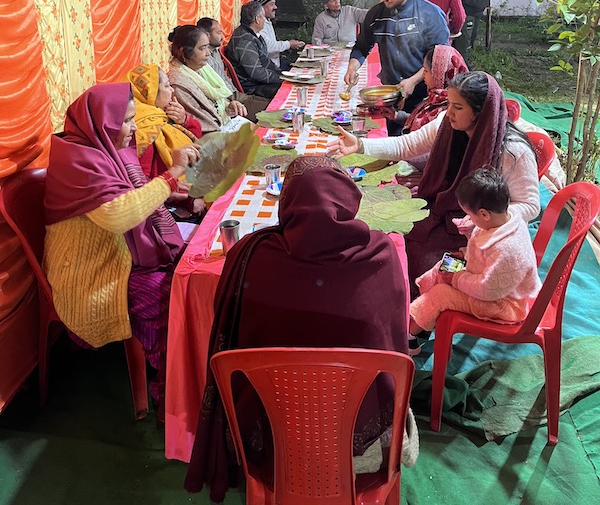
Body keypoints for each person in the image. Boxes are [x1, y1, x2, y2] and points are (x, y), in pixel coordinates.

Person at [184, 156, 417, 500]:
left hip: (272, 438)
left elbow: (230, 341)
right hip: (360, 443)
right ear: (349, 201)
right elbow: (394, 344)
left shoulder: (248, 256)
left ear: (287, 203)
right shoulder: (381, 256)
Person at [43, 83, 200, 410]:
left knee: (192, 271)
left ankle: (193, 371)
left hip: (121, 256)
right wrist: (171, 177)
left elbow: (130, 194)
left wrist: (173, 192)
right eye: (127, 121)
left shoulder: (104, 150)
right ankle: (172, 396)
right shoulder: (78, 162)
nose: (133, 129)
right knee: (168, 294)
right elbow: (119, 215)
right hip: (92, 274)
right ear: (102, 122)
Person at [329, 71, 540, 296]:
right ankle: (402, 303)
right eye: (449, 104)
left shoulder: (512, 151)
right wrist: (360, 146)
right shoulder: (446, 125)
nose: (449, 113)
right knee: (392, 240)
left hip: (482, 235)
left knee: (432, 268)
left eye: (458, 107)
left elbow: (530, 205)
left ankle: (419, 312)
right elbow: (406, 146)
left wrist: (483, 217)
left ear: (480, 113)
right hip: (444, 212)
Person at [409, 167, 541, 354]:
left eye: (470, 216)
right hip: (486, 284)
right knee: (441, 268)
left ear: (485, 214)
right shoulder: (504, 219)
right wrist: (465, 254)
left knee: (440, 294)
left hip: (503, 305)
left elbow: (487, 289)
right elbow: (482, 253)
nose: (469, 219)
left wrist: (456, 279)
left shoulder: (507, 250)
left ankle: (409, 338)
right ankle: (422, 318)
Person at [343, 0, 450, 135]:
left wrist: (413, 81)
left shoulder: (429, 14)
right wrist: (352, 66)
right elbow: (362, 46)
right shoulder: (376, 14)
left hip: (423, 96)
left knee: (417, 148)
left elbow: (439, 60)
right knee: (392, 141)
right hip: (390, 95)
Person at [125, 63, 205, 220]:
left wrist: (184, 120)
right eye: (167, 85)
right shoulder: (144, 127)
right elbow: (142, 184)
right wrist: (188, 200)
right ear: (152, 92)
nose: (172, 90)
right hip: (168, 204)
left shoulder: (159, 114)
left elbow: (193, 140)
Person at [168, 25, 248, 134]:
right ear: (184, 52)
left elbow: (213, 106)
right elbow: (202, 122)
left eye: (207, 47)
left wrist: (228, 106)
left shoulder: (202, 70)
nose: (208, 53)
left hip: (223, 128)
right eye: (202, 48)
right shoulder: (178, 84)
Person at [382, 45, 468, 138]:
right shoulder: (436, 98)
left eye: (426, 71)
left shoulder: (447, 112)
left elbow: (417, 143)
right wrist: (396, 116)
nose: (423, 75)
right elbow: (421, 125)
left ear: (438, 74)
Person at [196, 17, 270, 121]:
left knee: (275, 103)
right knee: (272, 111)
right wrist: (228, 102)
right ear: (207, 35)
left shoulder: (215, 52)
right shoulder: (202, 60)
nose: (222, 37)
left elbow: (224, 77)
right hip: (229, 100)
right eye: (218, 33)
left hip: (236, 93)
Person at [225, 1, 283, 100]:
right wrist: (280, 79)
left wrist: (281, 74)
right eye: (263, 17)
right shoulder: (244, 40)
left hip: (259, 83)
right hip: (252, 87)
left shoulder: (252, 35)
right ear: (257, 19)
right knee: (286, 90)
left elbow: (266, 61)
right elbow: (257, 73)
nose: (265, 20)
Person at [252, 0, 304, 69]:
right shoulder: (258, 25)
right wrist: (289, 44)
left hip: (277, 64)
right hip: (268, 70)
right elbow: (267, 47)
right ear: (261, 8)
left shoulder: (268, 21)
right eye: (271, 4)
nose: (275, 7)